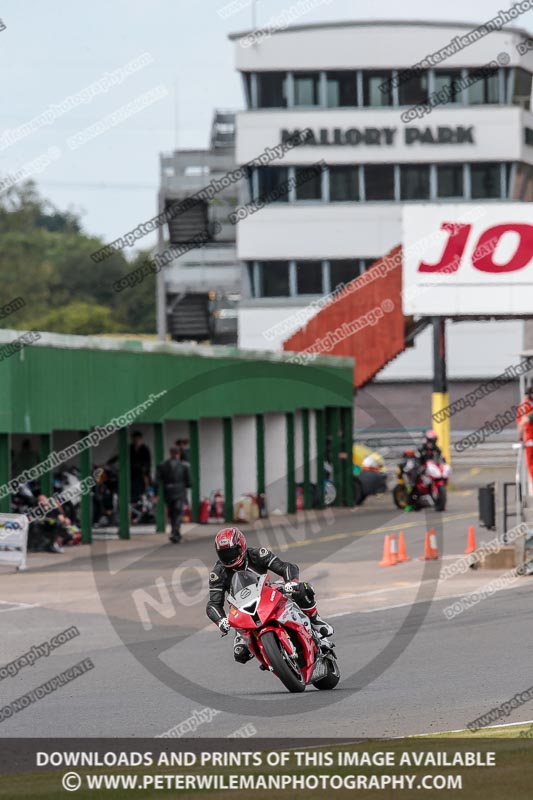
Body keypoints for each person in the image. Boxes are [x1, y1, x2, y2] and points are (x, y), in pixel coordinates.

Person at [206, 527, 334, 664]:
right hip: (243, 610)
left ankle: (315, 621)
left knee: (302, 589)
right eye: (224, 554)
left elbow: (287, 567)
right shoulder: (217, 573)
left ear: (241, 546)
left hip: (268, 592)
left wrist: (291, 582)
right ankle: (271, 658)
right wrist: (221, 621)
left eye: (231, 552)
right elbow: (213, 604)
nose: (229, 557)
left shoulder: (257, 554)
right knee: (240, 654)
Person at [156, 446, 191, 543]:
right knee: (178, 512)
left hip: (168, 492)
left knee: (171, 513)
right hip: (180, 491)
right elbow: (189, 482)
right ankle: (176, 531)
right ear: (178, 454)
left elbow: (157, 479)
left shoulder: (163, 465)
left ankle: (175, 532)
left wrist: (156, 493)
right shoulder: (184, 466)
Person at [517, 385, 533, 490]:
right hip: (529, 438)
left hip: (529, 438)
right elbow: (523, 422)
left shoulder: (523, 406)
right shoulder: (526, 406)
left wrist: (520, 438)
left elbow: (522, 423)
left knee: (531, 464)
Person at [130, 431, 151, 504]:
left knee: (141, 493)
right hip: (131, 474)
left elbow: (147, 464)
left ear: (141, 439)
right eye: (134, 439)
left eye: (138, 439)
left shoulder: (145, 449)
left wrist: (146, 475)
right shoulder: (130, 448)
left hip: (141, 475)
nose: (136, 441)